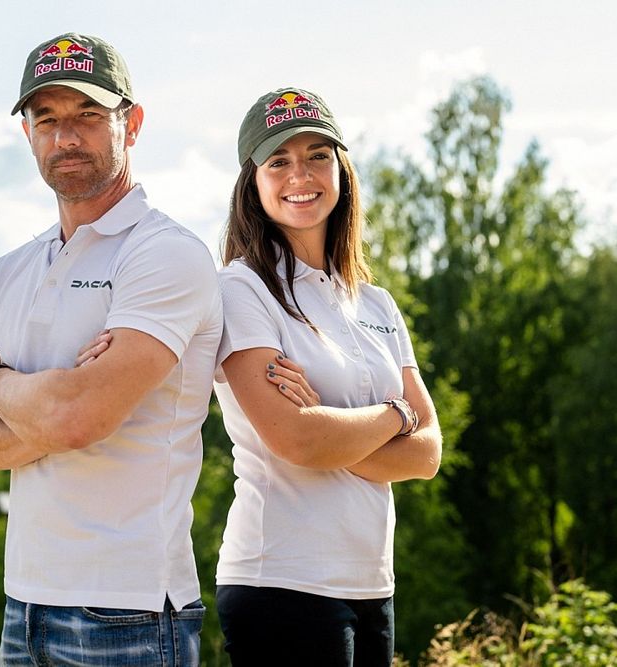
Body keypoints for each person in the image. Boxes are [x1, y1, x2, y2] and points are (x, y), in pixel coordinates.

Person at [0, 32, 222, 666]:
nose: (66, 137)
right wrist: (65, 409)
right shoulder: (7, 272)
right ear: (28, 134)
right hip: (23, 606)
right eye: (48, 119)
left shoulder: (166, 254)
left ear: (133, 122)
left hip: (130, 611)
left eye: (89, 115)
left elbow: (77, 417)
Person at [211, 87, 443, 665]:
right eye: (279, 161)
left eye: (318, 154)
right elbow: (295, 440)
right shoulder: (242, 290)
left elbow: (427, 453)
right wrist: (396, 415)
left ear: (341, 168)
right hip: (281, 582)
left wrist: (329, 430)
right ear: (253, 183)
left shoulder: (377, 304)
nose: (301, 174)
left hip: (372, 583)